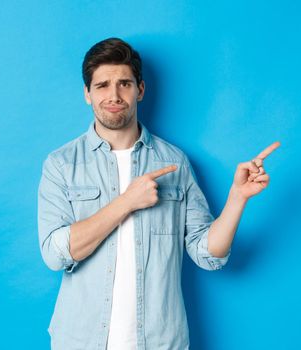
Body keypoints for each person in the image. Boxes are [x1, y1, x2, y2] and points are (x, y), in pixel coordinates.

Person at [37, 37, 280, 350]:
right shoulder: (60, 164)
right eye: (102, 85)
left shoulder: (174, 162)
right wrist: (127, 202)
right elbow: (55, 254)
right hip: (80, 341)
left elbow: (208, 255)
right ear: (87, 94)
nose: (114, 95)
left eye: (124, 83)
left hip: (160, 342)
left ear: (140, 89)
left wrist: (238, 197)